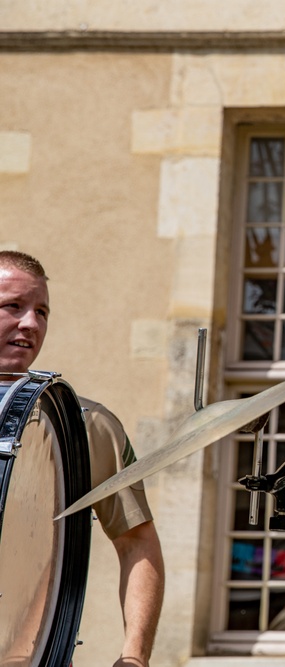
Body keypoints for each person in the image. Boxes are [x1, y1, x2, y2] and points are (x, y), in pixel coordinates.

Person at [0, 250, 165, 667]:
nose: (31, 323)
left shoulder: (82, 425)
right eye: (13, 306)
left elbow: (136, 541)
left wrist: (134, 656)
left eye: (42, 311)